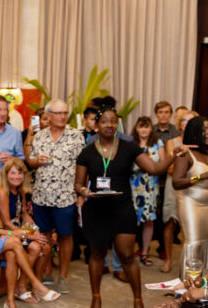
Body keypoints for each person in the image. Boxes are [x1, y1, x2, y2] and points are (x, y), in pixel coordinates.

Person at [74, 102, 173, 308]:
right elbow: (78, 183)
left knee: (127, 255)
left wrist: (173, 156)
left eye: (113, 121)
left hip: (122, 208)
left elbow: (154, 168)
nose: (109, 125)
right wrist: (84, 191)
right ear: (97, 125)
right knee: (97, 253)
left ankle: (138, 300)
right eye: (105, 121)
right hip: (96, 209)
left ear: (117, 124)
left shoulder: (129, 148)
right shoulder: (87, 152)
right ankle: (96, 298)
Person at [0, 163, 60, 307]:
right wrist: (10, 233)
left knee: (12, 253)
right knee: (14, 241)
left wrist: (3, 234)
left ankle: (10, 301)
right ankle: (35, 283)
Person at [25, 99, 83, 293]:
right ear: (48, 116)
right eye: (58, 113)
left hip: (65, 195)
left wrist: (81, 192)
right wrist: (36, 161)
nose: (62, 116)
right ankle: (44, 272)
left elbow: (83, 166)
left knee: (66, 236)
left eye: (65, 113)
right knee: (44, 236)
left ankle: (63, 276)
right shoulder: (39, 137)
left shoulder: (76, 136)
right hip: (41, 195)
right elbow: (30, 162)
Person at [169, 116, 208, 274]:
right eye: (204, 130)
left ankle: (205, 283)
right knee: (194, 243)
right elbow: (177, 182)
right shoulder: (186, 154)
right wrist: (202, 176)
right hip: (191, 203)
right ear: (194, 133)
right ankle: (188, 284)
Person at [0, 158, 48, 302]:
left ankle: (24, 285)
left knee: (45, 245)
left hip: (18, 228)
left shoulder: (19, 190)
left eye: (20, 173)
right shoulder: (1, 191)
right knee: (36, 247)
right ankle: (22, 288)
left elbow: (24, 214)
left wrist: (35, 230)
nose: (16, 176)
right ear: (6, 174)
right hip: (6, 231)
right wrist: (29, 235)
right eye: (12, 173)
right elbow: (6, 223)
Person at [159, 109, 197, 273]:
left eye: (191, 121)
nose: (187, 124)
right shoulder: (172, 142)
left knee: (192, 226)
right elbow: (169, 168)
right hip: (173, 185)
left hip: (194, 187)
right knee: (170, 223)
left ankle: (191, 261)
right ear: (179, 124)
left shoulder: (199, 145)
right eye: (185, 121)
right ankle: (168, 259)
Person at [128, 116, 166, 267]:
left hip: (150, 186)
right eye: (141, 126)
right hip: (132, 185)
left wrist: (152, 167)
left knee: (148, 221)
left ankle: (144, 253)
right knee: (131, 221)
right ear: (136, 129)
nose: (143, 129)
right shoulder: (130, 143)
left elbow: (163, 164)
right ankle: (128, 252)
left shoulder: (158, 143)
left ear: (151, 128)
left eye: (147, 126)